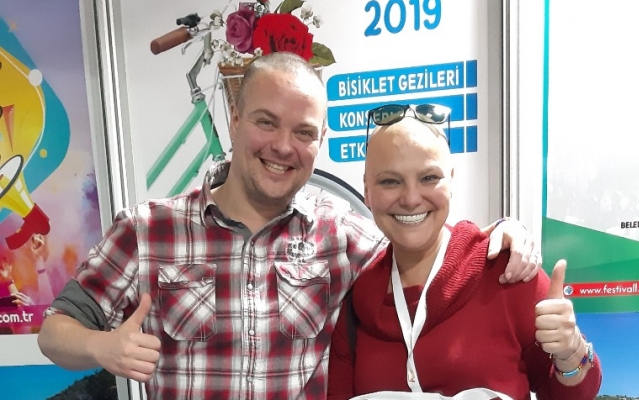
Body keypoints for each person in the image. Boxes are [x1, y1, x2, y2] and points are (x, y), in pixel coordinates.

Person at [38, 52, 541, 399]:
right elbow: (55, 330)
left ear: (320, 140)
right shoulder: (147, 231)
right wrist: (102, 347)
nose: (283, 146)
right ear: (235, 118)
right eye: (266, 122)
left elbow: (419, 238)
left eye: (303, 132)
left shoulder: (341, 235)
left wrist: (498, 235)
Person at [327, 108, 602, 400]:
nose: (410, 198)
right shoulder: (357, 303)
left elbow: (573, 393)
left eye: (429, 177)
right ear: (367, 190)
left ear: (451, 181)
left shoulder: (507, 271)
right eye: (390, 181)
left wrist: (571, 351)